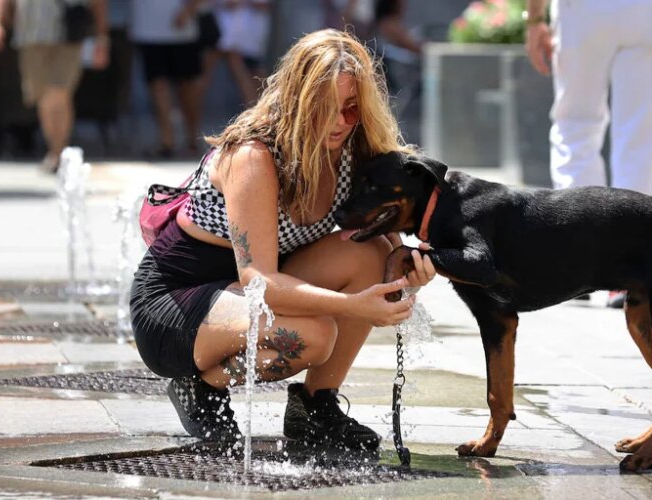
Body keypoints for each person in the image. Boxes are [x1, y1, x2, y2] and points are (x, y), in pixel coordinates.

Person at [130, 29, 436, 451]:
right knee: (314, 335)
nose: (340, 122)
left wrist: (408, 266)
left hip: (248, 290)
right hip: (177, 302)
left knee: (373, 253)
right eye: (326, 107)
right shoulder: (255, 156)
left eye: (352, 108)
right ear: (297, 99)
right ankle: (199, 385)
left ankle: (315, 407)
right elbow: (259, 281)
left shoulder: (353, 147)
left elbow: (389, 240)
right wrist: (352, 306)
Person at [524, 0, 652, 307]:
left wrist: (534, 18)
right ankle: (629, 269)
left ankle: (577, 264)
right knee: (638, 138)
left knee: (576, 126)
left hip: (583, 12)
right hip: (649, 12)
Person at [0, 0, 110, 173]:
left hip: (69, 33)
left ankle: (59, 151)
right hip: (31, 34)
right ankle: (55, 148)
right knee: (42, 95)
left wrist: (102, 37)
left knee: (59, 92)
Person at [130, 0, 204, 159]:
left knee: (187, 89)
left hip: (183, 31)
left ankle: (193, 138)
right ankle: (167, 141)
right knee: (157, 85)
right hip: (148, 30)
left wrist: (188, 10)